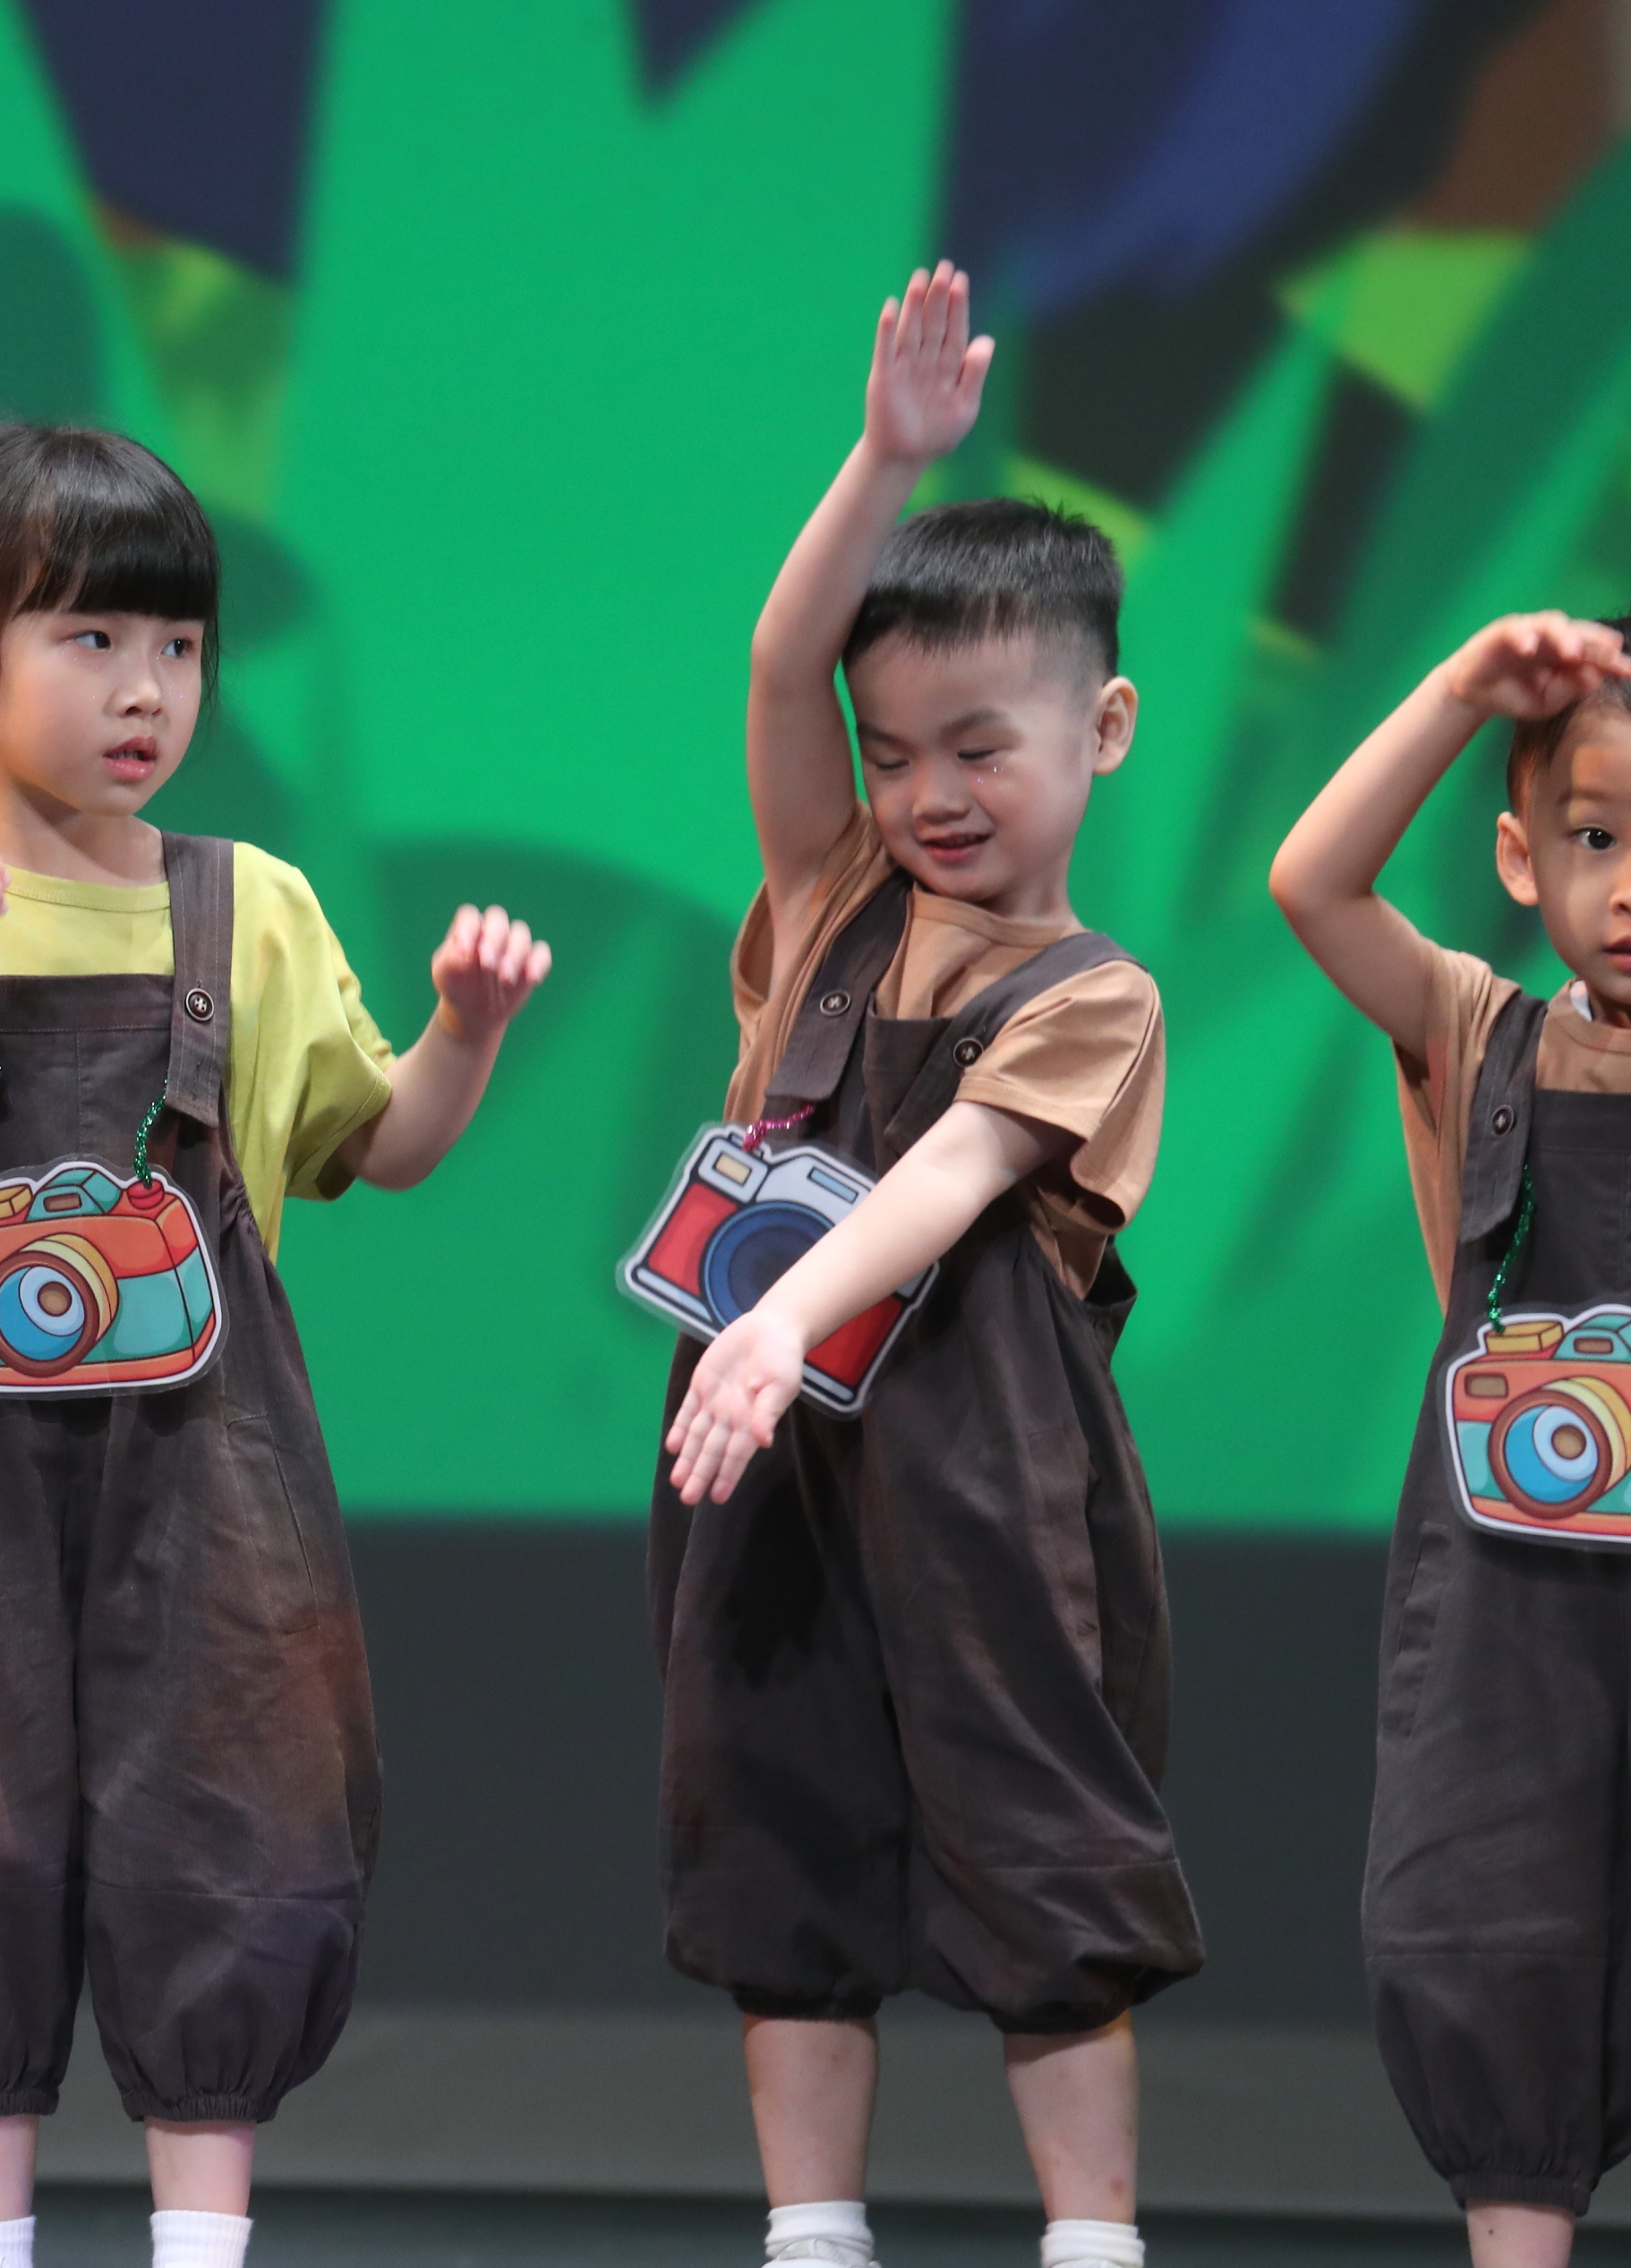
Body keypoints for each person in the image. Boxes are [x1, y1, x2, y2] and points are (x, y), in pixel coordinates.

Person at [0, 422, 550, 2268]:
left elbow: (381, 1144)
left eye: (177, 642)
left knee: (225, 1821)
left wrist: (467, 1032)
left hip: (209, 1487)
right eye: (90, 638)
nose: (146, 687)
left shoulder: (250, 904)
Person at [649, 266, 1193, 2268]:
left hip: (983, 1479)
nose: (928, 797)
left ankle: (1089, 2239)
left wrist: (783, 1315)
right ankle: (814, 2233)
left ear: (1101, 727)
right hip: (767, 1447)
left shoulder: (1093, 994)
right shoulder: (828, 897)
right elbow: (779, 661)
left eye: (980, 746)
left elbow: (954, 1173)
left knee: (1043, 1850)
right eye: (893, 754)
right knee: (775, 1835)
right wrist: (885, 462)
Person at [1270, 607, 1631, 2268]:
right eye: (1596, 836)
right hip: (1517, 1644)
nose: (1627, 886)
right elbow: (1314, 883)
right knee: (1502, 1961)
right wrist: (1458, 692)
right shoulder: (1483, 1040)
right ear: (1518, 853)